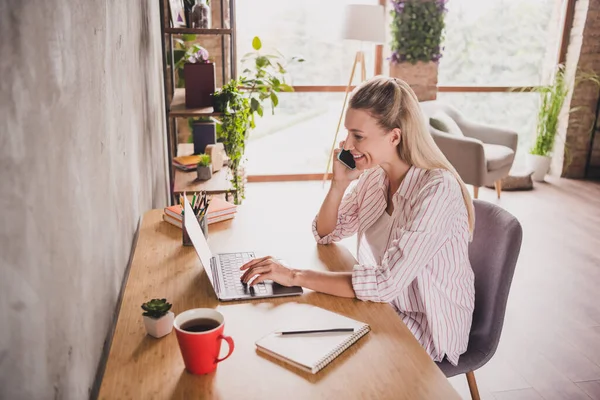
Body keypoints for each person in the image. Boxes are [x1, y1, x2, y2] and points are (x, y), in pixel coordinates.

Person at [240, 76, 475, 365]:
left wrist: (293, 276)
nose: (347, 144)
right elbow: (327, 233)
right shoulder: (376, 176)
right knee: (300, 335)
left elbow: (385, 283)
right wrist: (339, 184)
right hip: (385, 305)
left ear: (394, 137)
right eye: (348, 133)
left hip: (427, 324)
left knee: (333, 361)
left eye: (358, 136)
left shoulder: (437, 189)